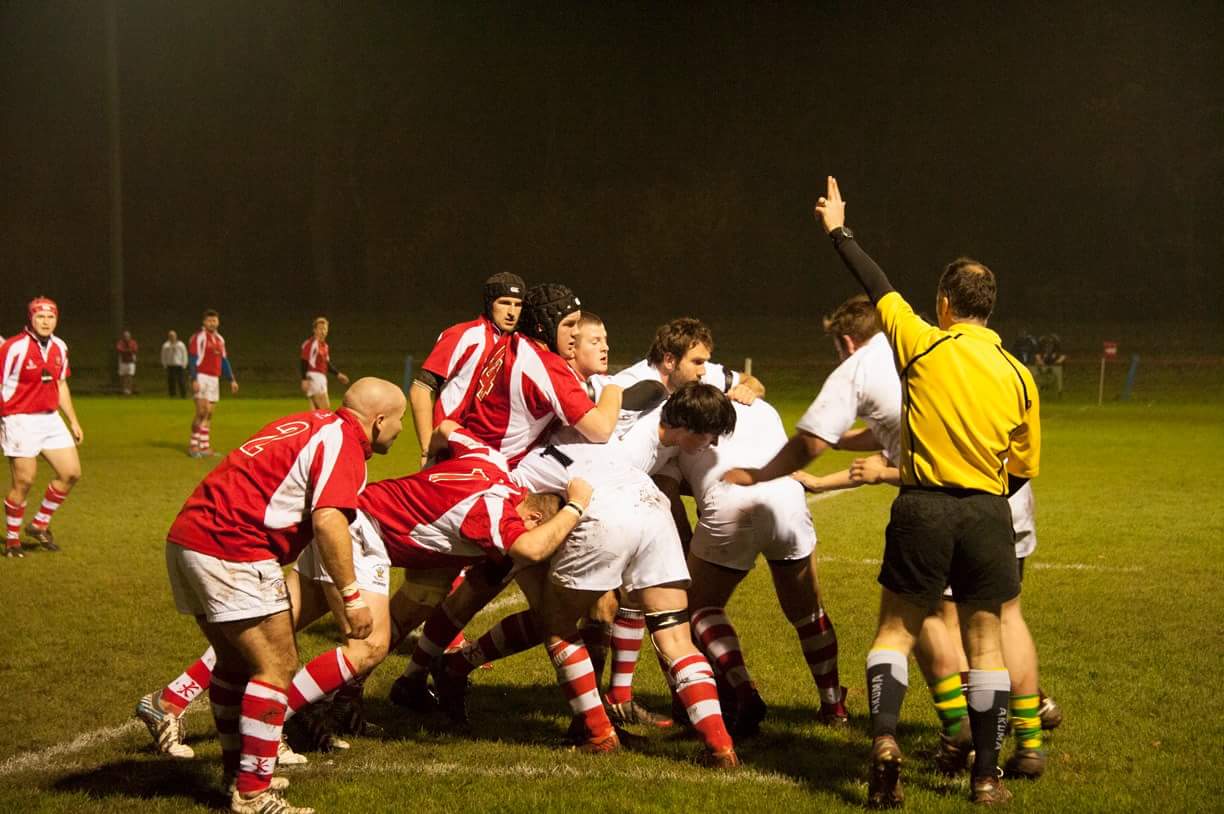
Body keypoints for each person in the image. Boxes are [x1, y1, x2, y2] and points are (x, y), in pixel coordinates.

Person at [135, 422, 588, 764]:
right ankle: (280, 724)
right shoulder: (499, 514)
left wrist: (430, 471)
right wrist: (576, 505)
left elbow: (448, 430)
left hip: (361, 517)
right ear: (531, 516)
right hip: (363, 533)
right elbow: (528, 548)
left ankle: (169, 700)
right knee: (369, 644)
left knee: (273, 621)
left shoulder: (493, 463)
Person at [813, 176, 1040, 807]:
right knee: (986, 641)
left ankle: (884, 742)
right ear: (988, 307)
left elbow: (875, 283)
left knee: (895, 630)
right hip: (989, 512)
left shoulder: (921, 343)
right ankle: (988, 776)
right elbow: (1023, 464)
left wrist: (838, 228)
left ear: (944, 301)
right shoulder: (1020, 374)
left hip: (924, 506)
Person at [158, 377, 405, 813]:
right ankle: (253, 793)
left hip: (188, 537)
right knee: (277, 666)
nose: (400, 430)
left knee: (235, 665)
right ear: (379, 420)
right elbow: (329, 521)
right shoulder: (344, 442)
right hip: (232, 545)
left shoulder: (306, 422)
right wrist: (351, 597)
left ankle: (237, 774)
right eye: (399, 421)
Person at [676, 395, 848, 736]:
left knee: (698, 606)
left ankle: (741, 688)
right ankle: (833, 705)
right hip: (786, 497)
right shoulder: (758, 402)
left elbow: (671, 483)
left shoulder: (676, 414)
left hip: (730, 501)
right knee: (807, 612)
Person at [410, 273, 525, 469]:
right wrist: (427, 448)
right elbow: (420, 389)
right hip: (448, 449)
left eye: (518, 304)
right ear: (490, 304)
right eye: (504, 302)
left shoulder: (519, 346)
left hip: (489, 452)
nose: (512, 312)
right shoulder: (464, 335)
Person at [1, 297, 83, 557]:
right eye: (40, 317)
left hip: (49, 418)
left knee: (70, 473)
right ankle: (12, 541)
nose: (46, 321)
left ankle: (38, 525)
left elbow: (60, 385)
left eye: (50, 317)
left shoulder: (60, 346)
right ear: (31, 319)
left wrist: (73, 420)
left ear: (56, 319)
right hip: (19, 418)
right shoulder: (14, 348)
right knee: (24, 481)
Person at [188, 309, 238, 458]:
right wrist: (194, 378)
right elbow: (192, 359)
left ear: (218, 322)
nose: (212, 323)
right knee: (201, 411)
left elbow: (224, 361)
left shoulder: (220, 340)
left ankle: (204, 446)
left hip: (214, 379)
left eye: (214, 320)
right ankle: (193, 445)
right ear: (204, 322)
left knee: (209, 414)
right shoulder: (199, 337)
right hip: (202, 377)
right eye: (209, 320)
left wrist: (231, 379)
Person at [300, 317, 350, 410]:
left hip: (320, 378)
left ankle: (315, 425)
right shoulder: (311, 344)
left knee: (315, 412)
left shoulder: (325, 346)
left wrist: (338, 374)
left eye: (325, 329)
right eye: (320, 329)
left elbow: (326, 364)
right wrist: (304, 379)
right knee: (325, 410)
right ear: (314, 330)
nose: (323, 331)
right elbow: (304, 360)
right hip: (315, 377)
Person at [161, 330, 188, 398]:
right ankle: (172, 395)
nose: (172, 337)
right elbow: (163, 355)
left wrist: (184, 363)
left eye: (173, 336)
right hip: (170, 365)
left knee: (181, 380)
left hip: (179, 365)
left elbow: (184, 354)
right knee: (171, 381)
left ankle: (183, 395)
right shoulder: (166, 345)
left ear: (176, 336)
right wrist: (164, 363)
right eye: (170, 336)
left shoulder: (181, 344)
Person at [116, 330, 138, 395]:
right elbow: (119, 349)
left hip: (131, 362)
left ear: (130, 336)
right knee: (123, 376)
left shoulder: (133, 342)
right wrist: (129, 351)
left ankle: (129, 390)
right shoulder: (120, 342)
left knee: (130, 376)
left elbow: (135, 349)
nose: (126, 337)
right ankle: (124, 390)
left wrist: (126, 351)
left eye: (127, 336)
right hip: (123, 361)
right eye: (125, 336)